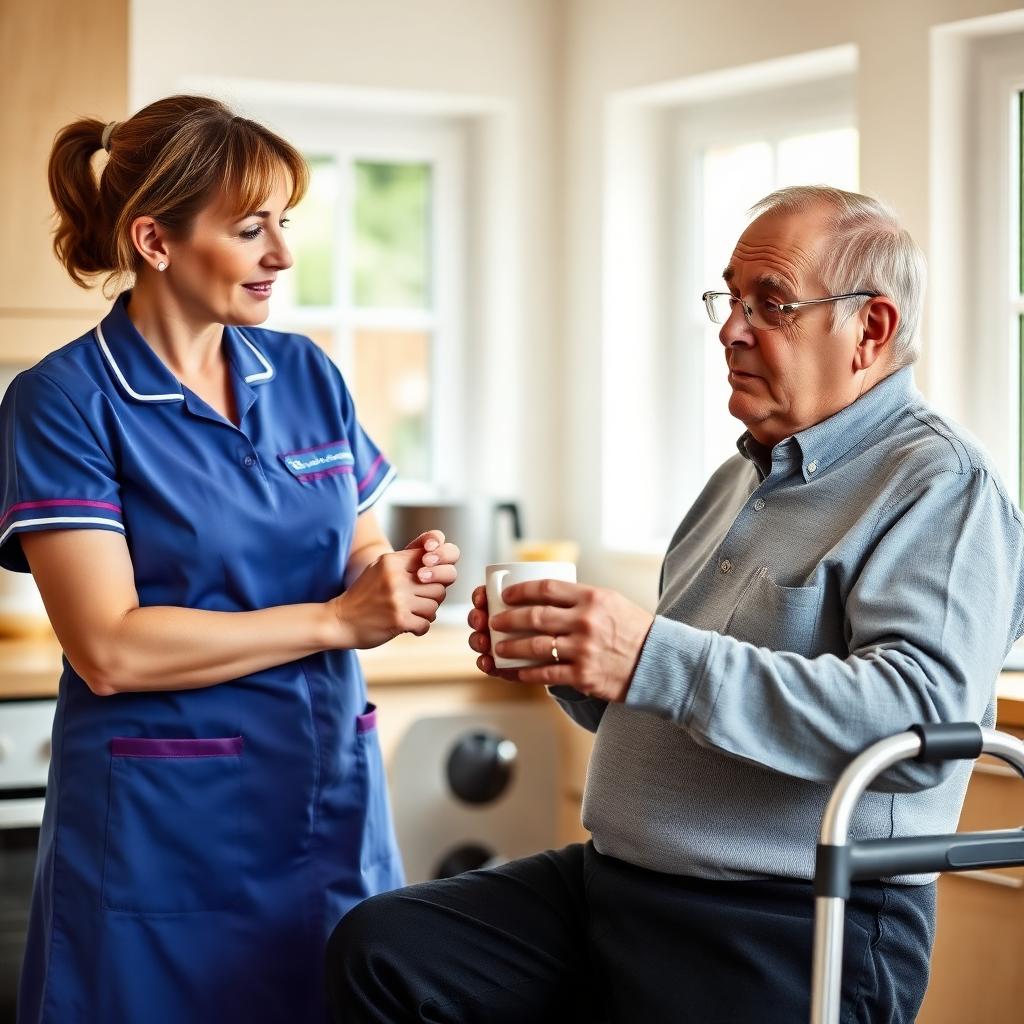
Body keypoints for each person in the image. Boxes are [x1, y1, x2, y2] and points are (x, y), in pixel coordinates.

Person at [326, 186, 1024, 1023]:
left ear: (870, 330)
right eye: (729, 299)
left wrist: (646, 655)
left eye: (770, 303)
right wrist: (576, 664)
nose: (732, 328)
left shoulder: (941, 486)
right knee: (385, 951)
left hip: (781, 917)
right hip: (615, 886)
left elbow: (920, 725)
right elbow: (682, 697)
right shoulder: (738, 477)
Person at [2, 94, 460, 1024]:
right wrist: (339, 621)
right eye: (251, 229)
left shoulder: (304, 374)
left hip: (328, 802)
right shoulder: (64, 402)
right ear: (155, 241)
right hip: (166, 831)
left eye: (283, 225)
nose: (283, 256)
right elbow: (111, 647)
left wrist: (390, 579)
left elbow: (354, 541)